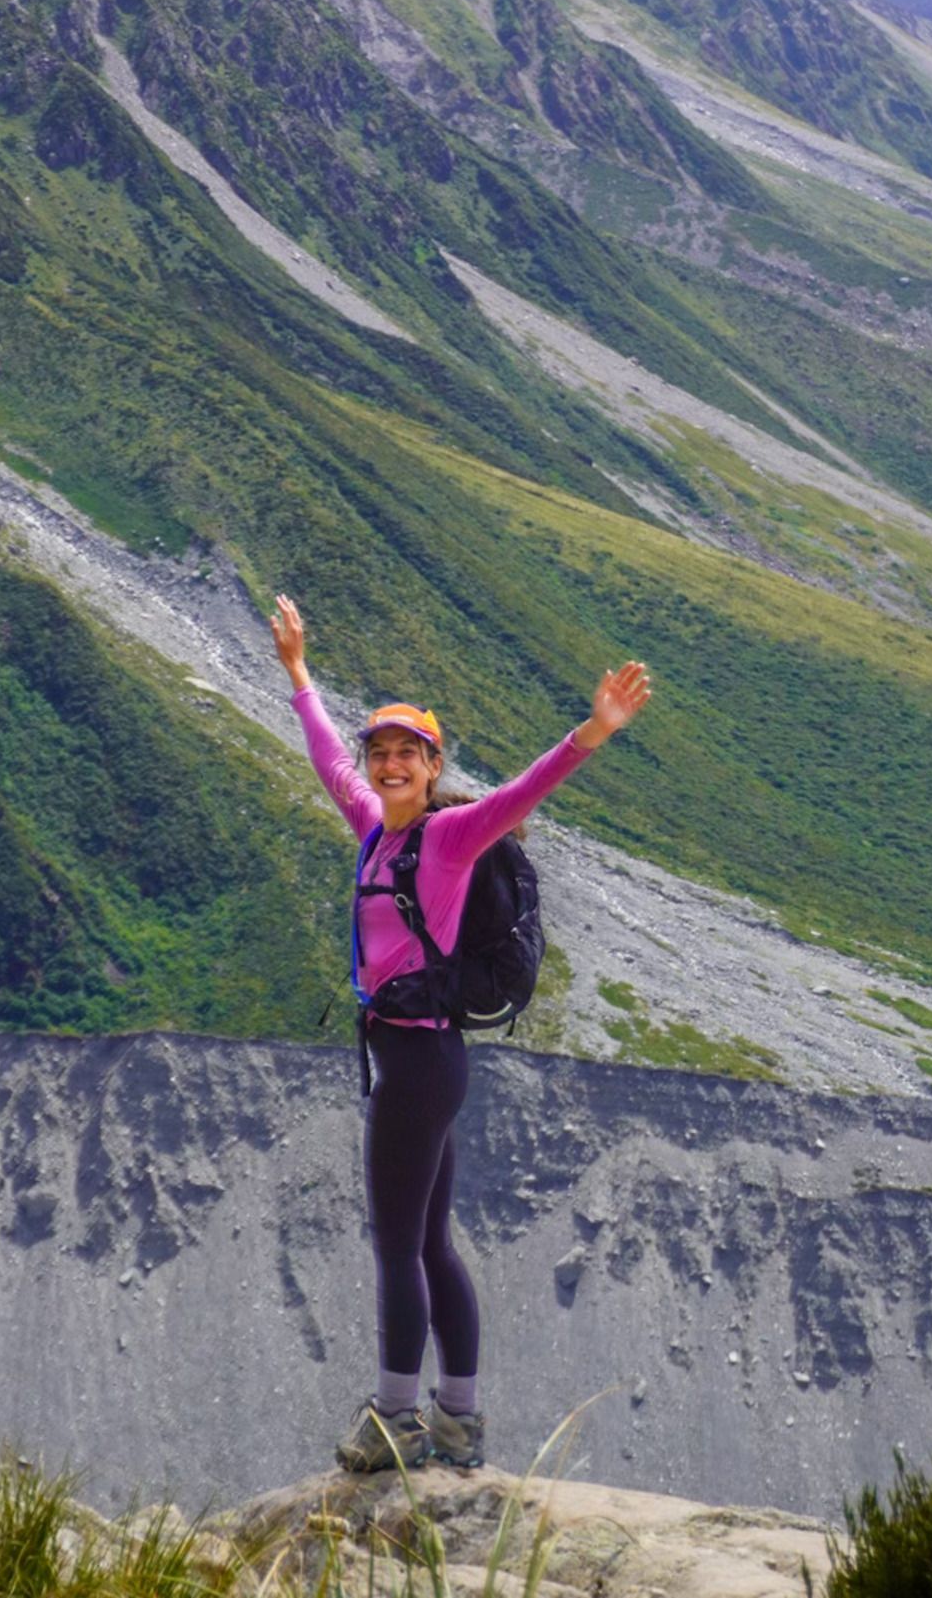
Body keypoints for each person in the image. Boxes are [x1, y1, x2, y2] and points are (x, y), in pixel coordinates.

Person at [269, 591, 653, 1476]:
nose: (390, 764)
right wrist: (297, 673)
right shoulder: (372, 828)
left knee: (398, 1245)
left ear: (433, 766)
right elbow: (328, 758)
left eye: (409, 753)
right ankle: (459, 1420)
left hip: (417, 1061)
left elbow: (524, 791)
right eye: (384, 753)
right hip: (423, 1058)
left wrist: (593, 731)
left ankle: (398, 1417)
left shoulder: (446, 839)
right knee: (432, 1242)